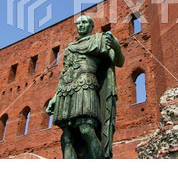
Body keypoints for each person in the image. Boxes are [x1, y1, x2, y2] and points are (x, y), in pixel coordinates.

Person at [46, 15, 124, 158]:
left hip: (86, 84)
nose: (80, 25)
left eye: (84, 22)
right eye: (78, 23)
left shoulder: (99, 40)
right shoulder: (70, 48)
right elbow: (65, 72)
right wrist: (55, 97)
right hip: (66, 89)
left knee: (86, 129)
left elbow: (118, 62)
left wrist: (117, 47)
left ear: (91, 25)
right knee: (67, 136)